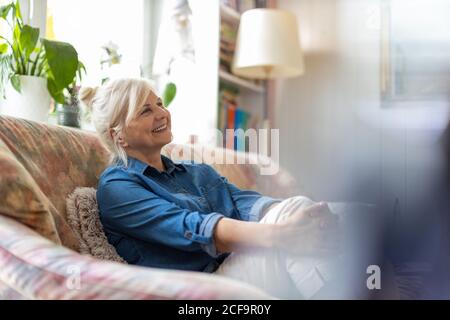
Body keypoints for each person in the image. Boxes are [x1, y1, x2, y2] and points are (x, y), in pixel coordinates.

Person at [79, 78, 340, 299]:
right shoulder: (117, 188)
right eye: (145, 111)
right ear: (118, 136)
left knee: (336, 212)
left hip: (237, 266)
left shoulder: (195, 171)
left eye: (159, 103)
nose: (162, 113)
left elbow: (245, 203)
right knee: (298, 213)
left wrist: (304, 220)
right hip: (201, 287)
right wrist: (280, 233)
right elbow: (189, 227)